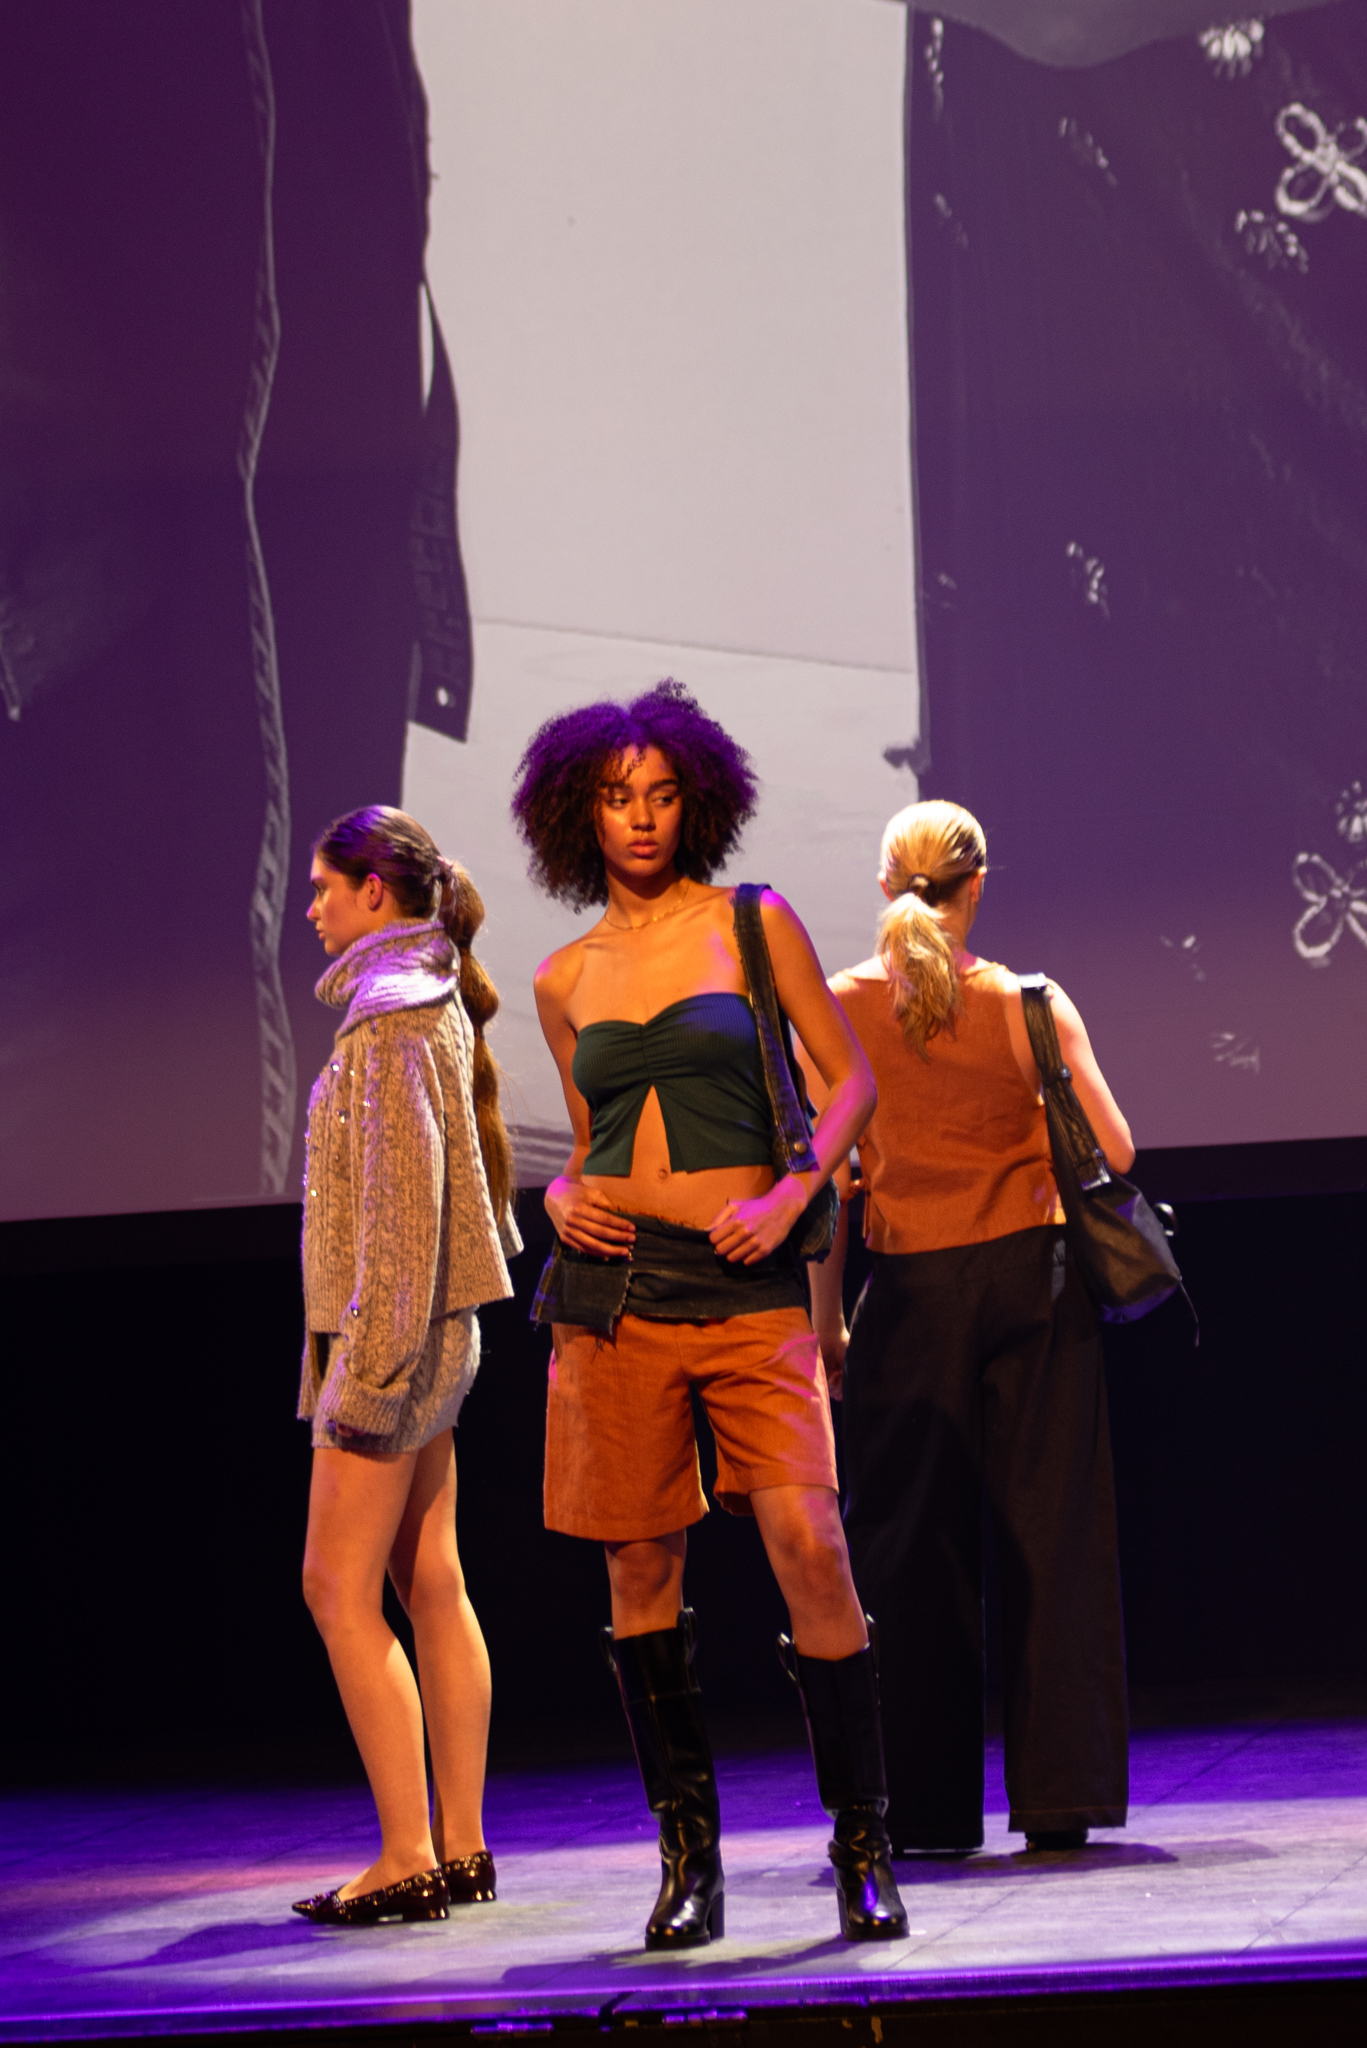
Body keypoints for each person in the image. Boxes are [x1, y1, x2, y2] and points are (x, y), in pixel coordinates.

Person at [511, 679, 908, 1949]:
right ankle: (689, 1861)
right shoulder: (562, 976)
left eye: (661, 793)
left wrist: (792, 1191)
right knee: (639, 1565)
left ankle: (862, 1845)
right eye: (614, 797)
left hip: (746, 1282)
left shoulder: (752, 920)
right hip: (618, 1294)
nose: (639, 816)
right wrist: (558, 1193)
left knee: (810, 1540)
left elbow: (849, 1083)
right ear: (577, 813)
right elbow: (592, 1143)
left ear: (698, 801)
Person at [804, 800, 1133, 1857]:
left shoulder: (838, 1008)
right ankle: (1060, 1799)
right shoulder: (1027, 1003)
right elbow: (1116, 1151)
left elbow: (828, 1186)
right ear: (975, 884)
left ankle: (924, 1811)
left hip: (908, 1292)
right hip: (1032, 1284)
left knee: (909, 1556)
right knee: (1052, 1541)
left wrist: (826, 1328)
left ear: (885, 883)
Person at [290, 806, 522, 1926]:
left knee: (334, 1587)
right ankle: (460, 1848)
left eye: (324, 886)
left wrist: (366, 1379)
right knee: (430, 1580)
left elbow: (397, 1217)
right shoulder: (425, 999)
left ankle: (406, 1853)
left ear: (374, 892)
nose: (311, 907)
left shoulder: (388, 1018)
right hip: (432, 1334)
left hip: (394, 1343)